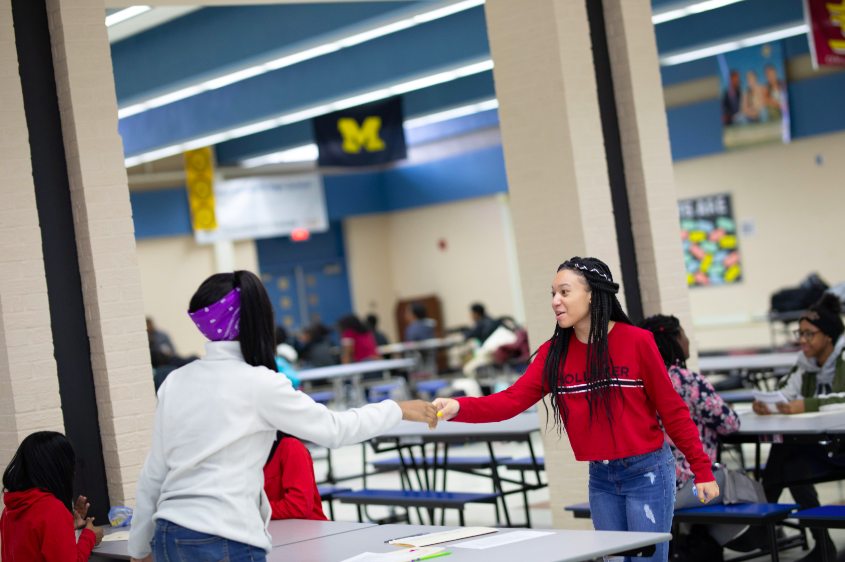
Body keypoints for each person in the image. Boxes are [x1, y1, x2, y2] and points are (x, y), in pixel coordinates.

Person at [128, 271, 438, 562]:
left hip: (169, 534)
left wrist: (140, 547)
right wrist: (397, 409)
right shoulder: (259, 383)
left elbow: (154, 472)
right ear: (255, 320)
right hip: (225, 535)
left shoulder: (177, 382)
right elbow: (334, 430)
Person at [433, 257, 718, 562]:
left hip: (647, 473)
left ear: (593, 294)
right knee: (614, 560)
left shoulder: (637, 341)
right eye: (553, 294)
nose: (556, 301)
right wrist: (458, 407)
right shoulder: (552, 354)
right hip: (601, 476)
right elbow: (510, 401)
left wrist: (702, 470)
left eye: (564, 292)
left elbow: (673, 411)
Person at [750, 293, 845, 562]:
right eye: (799, 333)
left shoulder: (843, 357)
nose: (801, 340)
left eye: (808, 334)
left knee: (785, 452)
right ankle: (823, 545)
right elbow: (784, 393)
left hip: (841, 447)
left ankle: (762, 520)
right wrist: (765, 405)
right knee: (792, 465)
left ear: (828, 335)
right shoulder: (805, 363)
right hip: (823, 448)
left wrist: (807, 405)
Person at [639, 315, 742, 550]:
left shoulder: (637, 381)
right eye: (684, 334)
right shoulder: (685, 380)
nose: (687, 340)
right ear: (675, 339)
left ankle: (696, 543)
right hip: (687, 484)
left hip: (646, 484)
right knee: (740, 484)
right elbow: (730, 424)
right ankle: (753, 537)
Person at [1, 431, 104, 561]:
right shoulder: (51, 509)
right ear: (59, 468)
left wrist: (66, 526)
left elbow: (32, 548)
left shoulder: (9, 509)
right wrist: (89, 536)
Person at [263, 433, 328, 521]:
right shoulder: (253, 456)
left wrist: (256, 511)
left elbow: (299, 507)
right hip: (277, 530)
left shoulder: (291, 446)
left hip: (310, 530)